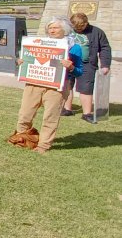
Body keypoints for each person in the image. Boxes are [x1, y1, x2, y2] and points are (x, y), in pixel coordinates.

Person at [10, 17, 83, 153]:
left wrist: (71, 67)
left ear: (65, 30)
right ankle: (21, 138)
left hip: (57, 86)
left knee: (50, 116)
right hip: (34, 83)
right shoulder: (39, 43)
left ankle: (43, 145)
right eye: (50, 28)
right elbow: (28, 60)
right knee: (25, 113)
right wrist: (22, 62)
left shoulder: (74, 48)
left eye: (55, 27)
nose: (52, 30)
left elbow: (79, 72)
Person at [62, 13, 112, 123]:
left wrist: (105, 65)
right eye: (76, 28)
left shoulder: (97, 32)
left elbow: (105, 48)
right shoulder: (66, 31)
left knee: (86, 88)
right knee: (67, 85)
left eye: (81, 27)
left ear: (86, 23)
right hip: (68, 62)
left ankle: (86, 114)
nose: (78, 30)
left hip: (87, 64)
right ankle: (67, 109)